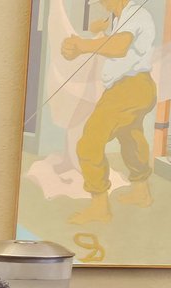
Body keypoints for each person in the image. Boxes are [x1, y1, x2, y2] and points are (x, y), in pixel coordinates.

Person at [61, 0, 158, 224]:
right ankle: (141, 192)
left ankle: (99, 207)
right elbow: (109, 35)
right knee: (131, 137)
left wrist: (81, 46)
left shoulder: (136, 13)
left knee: (89, 143)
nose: (100, 2)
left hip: (129, 88)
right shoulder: (120, 18)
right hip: (135, 88)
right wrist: (79, 44)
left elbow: (118, 47)